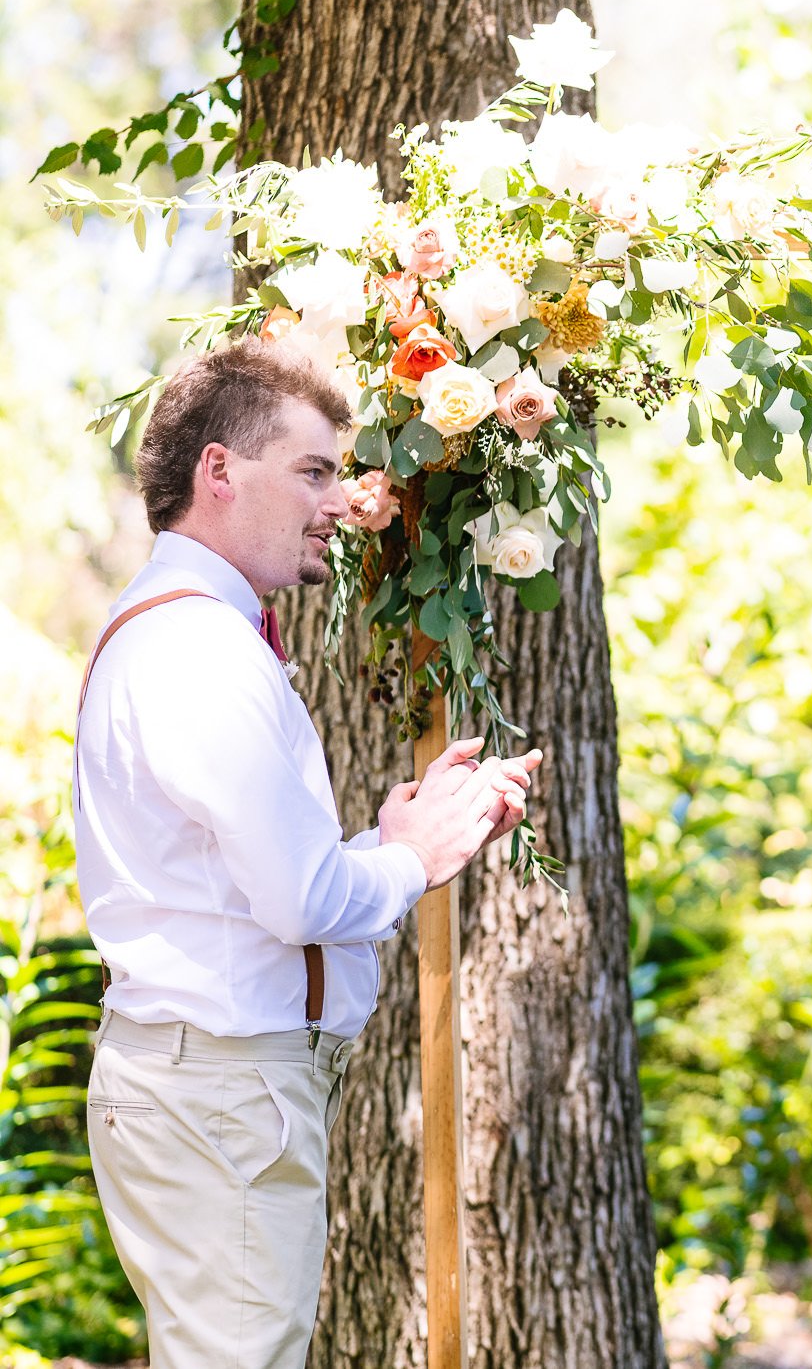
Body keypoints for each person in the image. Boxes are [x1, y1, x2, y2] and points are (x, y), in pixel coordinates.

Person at [72, 339, 542, 1369]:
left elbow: (248, 885)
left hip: (209, 1088)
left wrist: (397, 837)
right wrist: (411, 857)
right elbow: (297, 900)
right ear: (219, 471)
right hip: (223, 1095)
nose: (338, 500)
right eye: (315, 471)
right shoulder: (199, 649)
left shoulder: (184, 633)